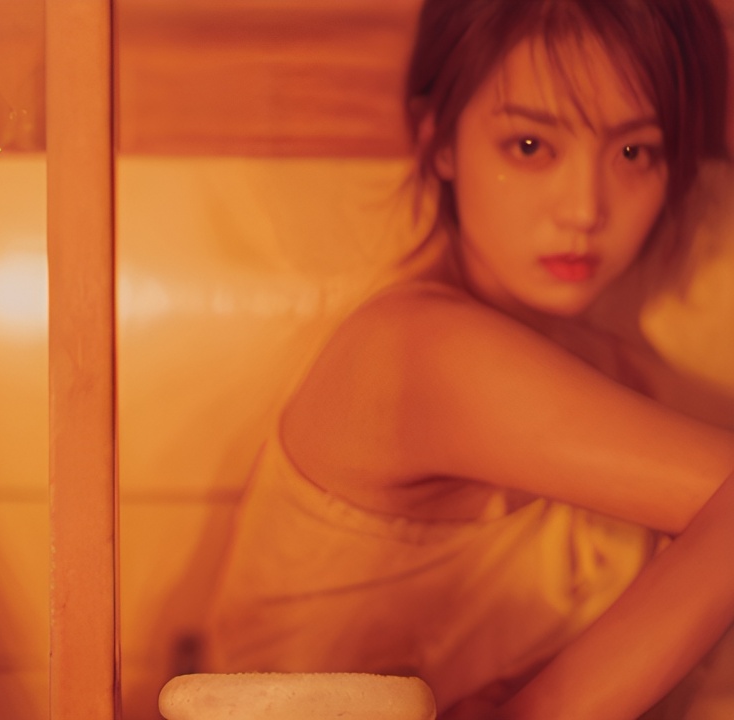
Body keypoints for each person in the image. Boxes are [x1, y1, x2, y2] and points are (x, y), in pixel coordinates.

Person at [204, 0, 734, 716]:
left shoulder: (606, 370)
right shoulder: (412, 352)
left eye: (634, 152)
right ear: (439, 139)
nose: (584, 209)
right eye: (530, 146)